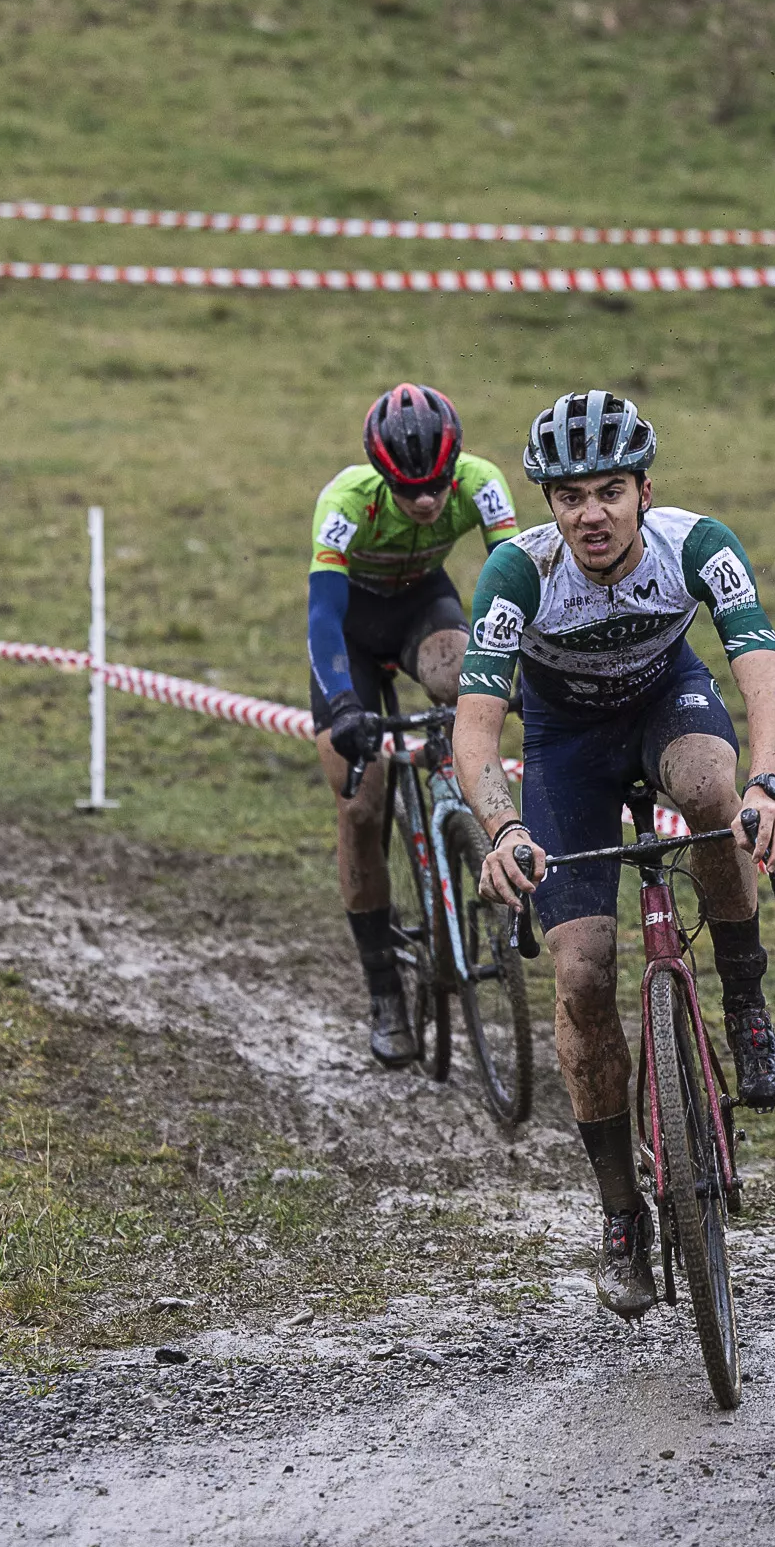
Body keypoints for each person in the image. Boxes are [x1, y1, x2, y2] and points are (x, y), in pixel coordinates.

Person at [454, 389, 775, 1320]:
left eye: (610, 491)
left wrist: (766, 786)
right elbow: (477, 732)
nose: (591, 514)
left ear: (646, 490)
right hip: (566, 748)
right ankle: (620, 1216)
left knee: (706, 791)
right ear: (549, 506)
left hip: (665, 708)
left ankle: (748, 1006)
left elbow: (763, 681)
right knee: (582, 972)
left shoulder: (699, 545)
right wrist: (504, 829)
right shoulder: (516, 576)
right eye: (570, 497)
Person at [308, 384, 522, 1067]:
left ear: (453, 465)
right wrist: (343, 703)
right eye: (410, 489)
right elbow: (321, 617)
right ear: (382, 473)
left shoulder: (481, 482)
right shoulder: (346, 502)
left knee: (462, 675)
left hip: (423, 610)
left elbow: (513, 576)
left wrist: (523, 674)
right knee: (360, 806)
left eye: (436, 485)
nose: (428, 502)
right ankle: (383, 990)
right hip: (350, 629)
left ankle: (457, 800)